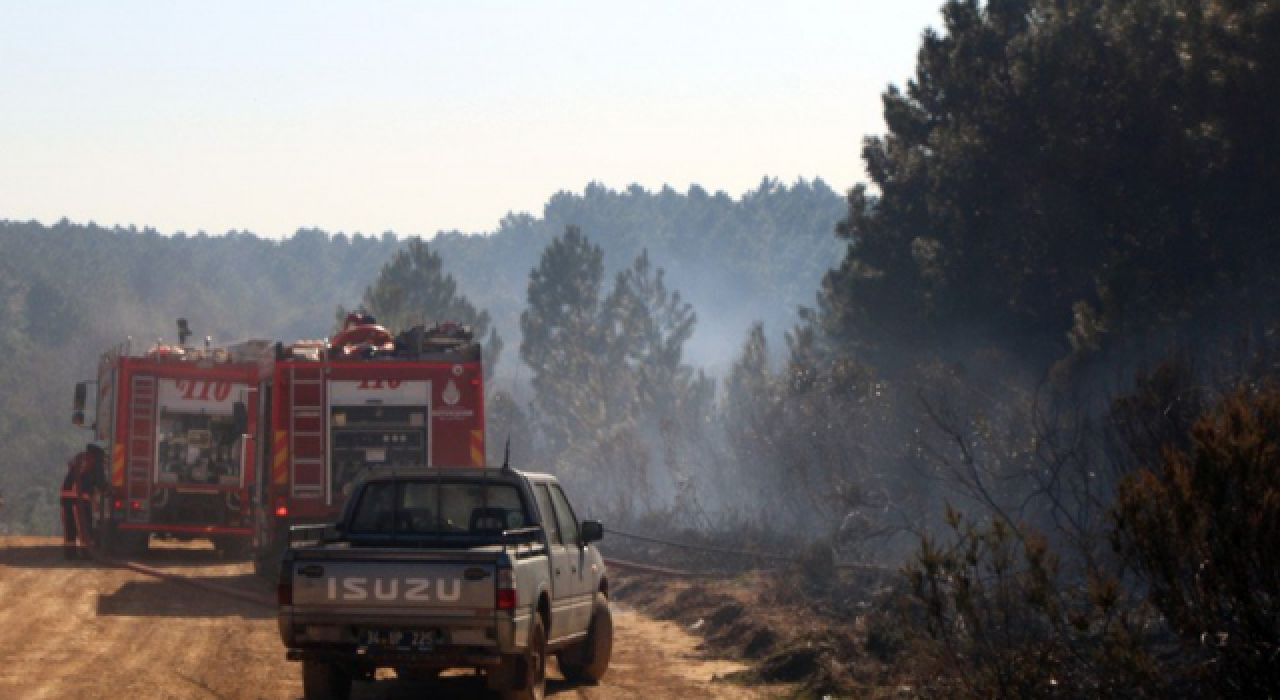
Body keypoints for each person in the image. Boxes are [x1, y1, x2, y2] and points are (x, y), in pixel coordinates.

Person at [60, 441, 106, 560]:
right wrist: (108, 490)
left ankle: (70, 553)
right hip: (79, 499)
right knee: (84, 526)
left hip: (65, 497)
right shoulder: (95, 460)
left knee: (70, 526)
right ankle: (87, 553)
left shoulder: (79, 457)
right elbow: (100, 481)